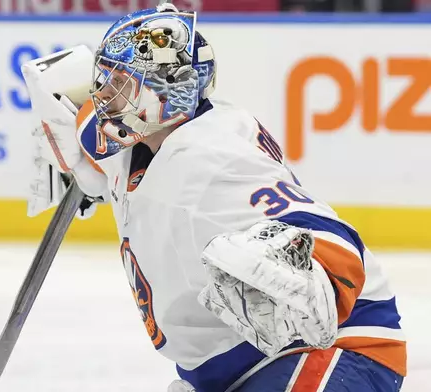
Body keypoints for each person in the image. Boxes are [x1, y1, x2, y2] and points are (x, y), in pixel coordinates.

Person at [24, 4, 407, 391]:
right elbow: (91, 137)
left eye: (118, 84)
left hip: (329, 348)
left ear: (166, 91)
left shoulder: (211, 159)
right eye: (103, 81)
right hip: (238, 365)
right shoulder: (142, 139)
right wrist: (70, 147)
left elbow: (319, 231)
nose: (104, 96)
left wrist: (313, 269)